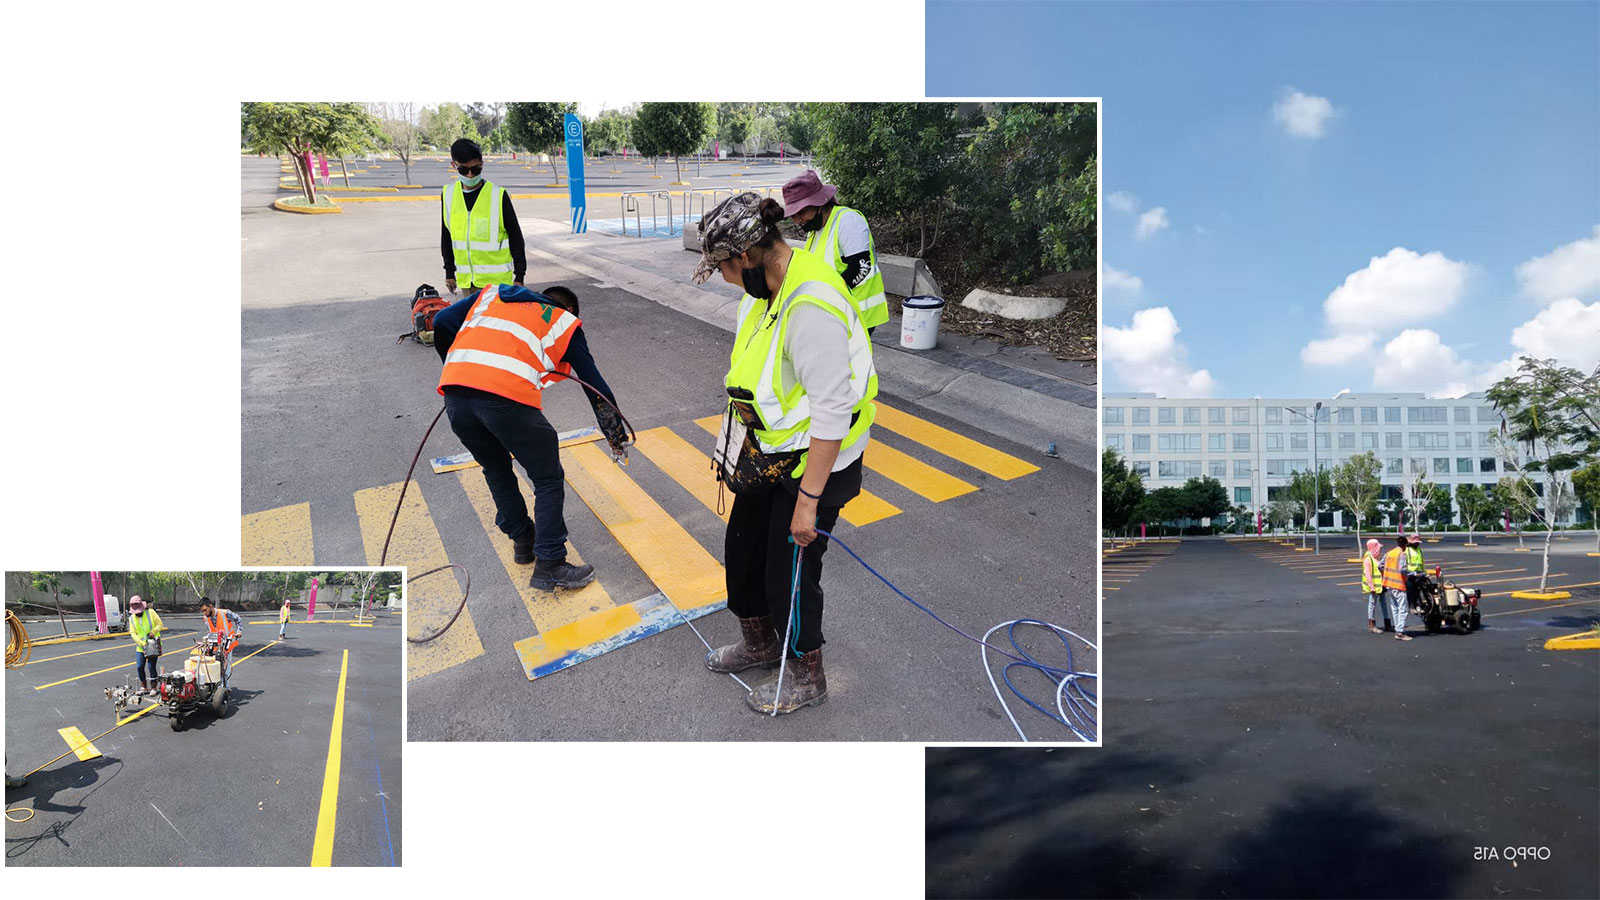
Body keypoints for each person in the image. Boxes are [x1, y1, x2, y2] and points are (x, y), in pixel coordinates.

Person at [691, 192, 878, 715]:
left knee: (789, 571)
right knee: (744, 548)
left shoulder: (810, 304)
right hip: (771, 451)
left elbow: (832, 411)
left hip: (818, 462)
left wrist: (807, 502)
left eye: (723, 268)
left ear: (745, 256)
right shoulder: (762, 290)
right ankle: (760, 643)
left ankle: (806, 674)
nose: (724, 278)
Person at [431, 282, 630, 589]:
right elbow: (593, 383)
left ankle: (523, 539)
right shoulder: (563, 321)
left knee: (495, 467)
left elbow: (442, 321)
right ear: (571, 309)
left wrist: (459, 370)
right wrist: (615, 435)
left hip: (456, 395)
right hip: (504, 398)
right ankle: (550, 562)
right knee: (547, 477)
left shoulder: (493, 295)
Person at [782, 170, 889, 335]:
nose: (797, 221)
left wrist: (825, 296)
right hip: (833, 312)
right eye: (793, 215)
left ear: (819, 204)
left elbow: (860, 267)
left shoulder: (848, 221)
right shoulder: (816, 228)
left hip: (856, 314)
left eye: (801, 212)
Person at [441, 138, 525, 295]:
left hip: (497, 286)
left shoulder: (498, 195)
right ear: (454, 165)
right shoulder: (448, 194)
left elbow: (516, 237)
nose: (471, 175)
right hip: (467, 283)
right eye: (464, 170)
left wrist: (519, 276)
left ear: (482, 164)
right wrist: (449, 272)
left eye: (476, 169)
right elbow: (447, 235)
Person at [198, 598, 242, 684]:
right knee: (214, 666)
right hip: (215, 644)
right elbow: (210, 631)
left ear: (210, 606)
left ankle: (226, 688)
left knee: (225, 669)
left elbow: (238, 619)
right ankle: (217, 687)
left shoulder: (225, 613)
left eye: (205, 610)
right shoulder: (206, 618)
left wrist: (239, 631)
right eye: (202, 611)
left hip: (227, 644)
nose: (204, 613)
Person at [127, 596, 165, 692]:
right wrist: (141, 643)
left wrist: (153, 632)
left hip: (153, 645)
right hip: (141, 646)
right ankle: (143, 685)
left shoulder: (151, 613)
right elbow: (133, 633)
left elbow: (159, 624)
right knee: (140, 666)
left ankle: (153, 686)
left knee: (151, 666)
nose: (138, 613)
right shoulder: (131, 619)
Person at [1381, 537, 1412, 641]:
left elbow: (1380, 566)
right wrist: (1411, 574)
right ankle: (1399, 632)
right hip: (1399, 584)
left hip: (1389, 584)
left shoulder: (1389, 553)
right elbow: (1403, 570)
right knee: (1403, 609)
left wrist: (1386, 574)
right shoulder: (1402, 554)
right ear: (1405, 545)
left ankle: (1398, 628)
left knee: (1395, 607)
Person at [1362, 539, 1390, 633]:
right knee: (1372, 605)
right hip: (1375, 587)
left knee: (1384, 604)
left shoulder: (1376, 557)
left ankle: (1387, 624)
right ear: (1373, 547)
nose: (1379, 549)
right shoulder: (1368, 558)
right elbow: (1367, 573)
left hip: (1381, 585)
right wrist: (1371, 587)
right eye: (1378, 547)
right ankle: (1372, 626)